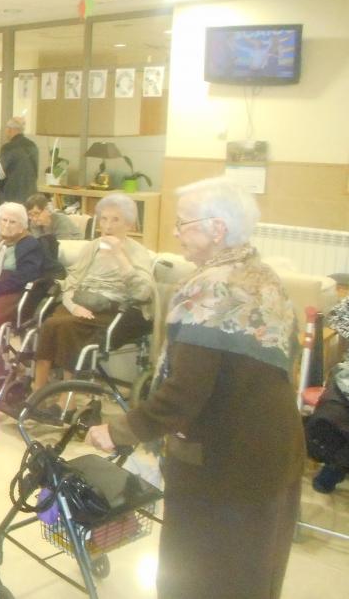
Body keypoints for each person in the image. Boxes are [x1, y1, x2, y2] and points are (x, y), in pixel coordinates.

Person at [86, 177, 304, 599]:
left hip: (227, 460)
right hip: (275, 448)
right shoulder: (263, 276)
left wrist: (119, 431)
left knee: (199, 576)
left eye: (183, 223)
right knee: (254, 572)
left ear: (217, 229)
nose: (175, 232)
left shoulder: (210, 288)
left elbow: (184, 393)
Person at [31, 193, 154, 398]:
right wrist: (74, 306)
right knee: (49, 324)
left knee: (64, 327)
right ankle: (37, 392)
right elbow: (71, 282)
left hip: (114, 309)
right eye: (104, 219)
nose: (108, 226)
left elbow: (143, 292)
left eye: (115, 220)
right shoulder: (93, 246)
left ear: (129, 224)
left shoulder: (137, 252)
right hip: (81, 303)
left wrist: (119, 255)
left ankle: (66, 401)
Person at [0, 202, 58, 337]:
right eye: (4, 220)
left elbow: (24, 276)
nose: (7, 225)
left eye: (13, 222)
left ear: (22, 226)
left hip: (11, 291)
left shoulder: (30, 244)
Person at [0, 117, 38, 204]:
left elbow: (0, 172)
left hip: (11, 196)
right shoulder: (33, 146)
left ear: (9, 130)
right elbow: (35, 171)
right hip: (30, 196)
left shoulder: (8, 148)